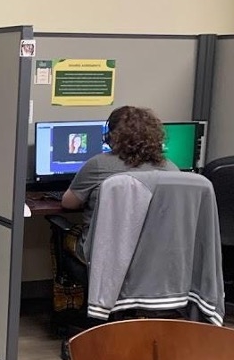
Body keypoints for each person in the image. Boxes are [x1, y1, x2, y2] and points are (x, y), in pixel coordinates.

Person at [61, 105, 178, 260]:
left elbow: (69, 203)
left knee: (64, 237)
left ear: (111, 137)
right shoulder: (171, 169)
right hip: (152, 259)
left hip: (105, 258)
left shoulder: (98, 164)